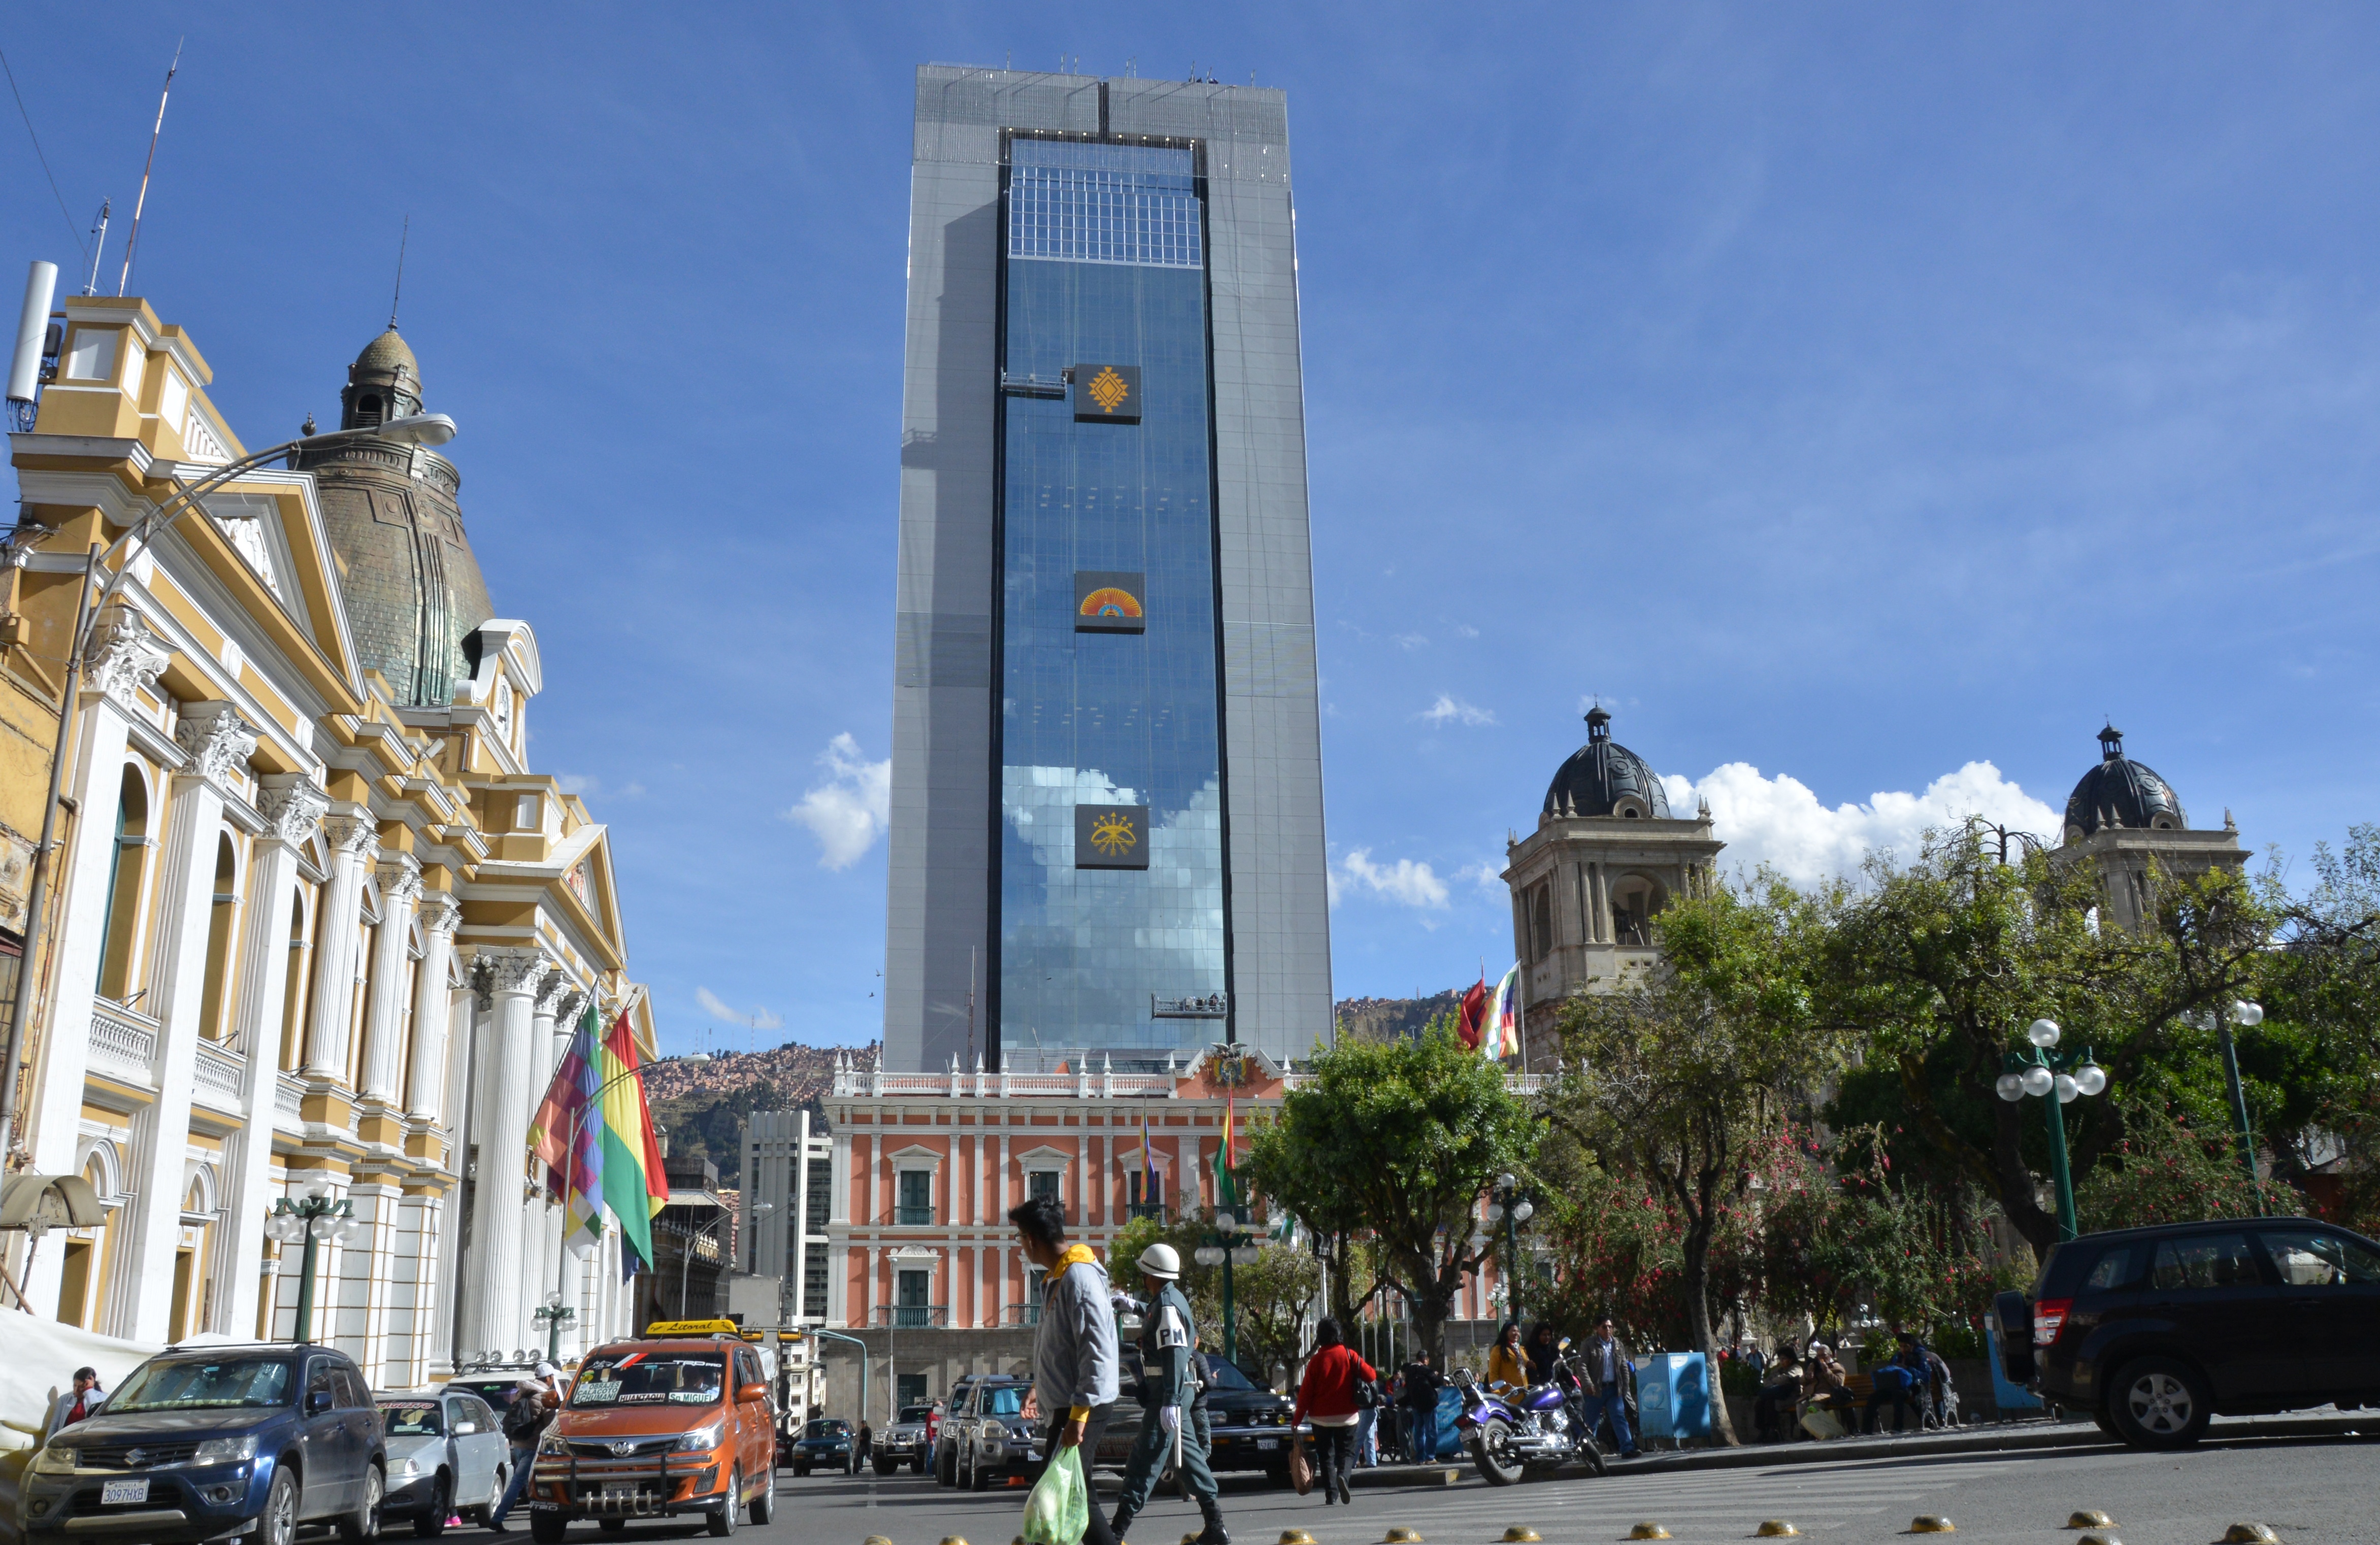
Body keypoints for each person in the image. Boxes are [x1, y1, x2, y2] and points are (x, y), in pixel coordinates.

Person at [1012, 1191, 1122, 1545]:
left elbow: (1097, 1352)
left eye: (1019, 1237)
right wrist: (1038, 1387)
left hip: (1083, 1407)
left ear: (1031, 1240)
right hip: (1068, 1405)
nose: (1021, 1246)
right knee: (1072, 1494)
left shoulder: (1079, 1278)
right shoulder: (1057, 1279)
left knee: (1060, 1495)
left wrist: (1078, 1417)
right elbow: (1060, 1347)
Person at [1111, 1243, 1228, 1545]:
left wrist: (1170, 1402)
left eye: (1144, 1273)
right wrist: (1132, 1305)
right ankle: (1215, 1525)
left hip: (1168, 1393)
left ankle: (1115, 1532)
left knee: (1145, 1457)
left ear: (1153, 1273)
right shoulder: (1167, 1300)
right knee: (1188, 1459)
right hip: (1171, 1392)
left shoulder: (1166, 1305)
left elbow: (1175, 1353)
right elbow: (1156, 1319)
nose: (1142, 1278)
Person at [1291, 1319, 1375, 1506]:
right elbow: (1371, 1376)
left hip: (1320, 1418)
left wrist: (1296, 1420)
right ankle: (1343, 1477)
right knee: (1346, 1452)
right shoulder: (1349, 1355)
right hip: (1348, 1416)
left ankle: (1331, 1495)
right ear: (1339, 1334)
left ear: (1320, 1337)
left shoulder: (1316, 1361)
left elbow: (1305, 1394)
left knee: (1326, 1455)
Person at [487, 1363, 561, 1533]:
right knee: (519, 1482)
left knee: (530, 1483)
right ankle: (498, 1519)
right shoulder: (547, 1396)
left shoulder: (522, 1394)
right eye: (553, 1377)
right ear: (549, 1378)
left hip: (518, 1444)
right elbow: (551, 1426)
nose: (553, 1380)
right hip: (533, 1446)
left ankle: (537, 1517)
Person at [1578, 1315, 1640, 1460]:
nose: (1608, 1330)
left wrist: (1624, 1388)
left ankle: (1627, 1449)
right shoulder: (1589, 1344)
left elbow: (1623, 1367)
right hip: (1595, 1391)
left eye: (1610, 1327)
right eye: (1604, 1327)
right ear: (1597, 1328)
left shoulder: (1617, 1344)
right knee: (1591, 1423)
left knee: (1619, 1418)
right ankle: (1589, 1454)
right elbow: (1581, 1365)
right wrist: (1588, 1384)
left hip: (1614, 1389)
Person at [1751, 1345, 1804, 1443]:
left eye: (1784, 1359)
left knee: (1770, 1401)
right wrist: (1776, 1381)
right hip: (1778, 1396)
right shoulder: (1779, 1370)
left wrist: (1775, 1381)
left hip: (1792, 1397)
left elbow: (1786, 1378)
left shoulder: (1796, 1368)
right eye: (1780, 1359)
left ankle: (1771, 1431)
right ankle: (1766, 1430)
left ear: (1791, 1359)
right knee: (1763, 1402)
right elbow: (1767, 1381)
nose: (1782, 1361)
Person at [1396, 1351, 1442, 1464]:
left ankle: (1420, 1458)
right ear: (1425, 1359)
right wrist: (1435, 1375)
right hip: (1429, 1404)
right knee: (1431, 1431)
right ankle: (1430, 1457)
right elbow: (1437, 1383)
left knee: (1418, 1433)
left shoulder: (1409, 1372)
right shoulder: (1425, 1370)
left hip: (1416, 1405)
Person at [44, 1368, 103, 1440]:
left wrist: (89, 1391)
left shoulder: (102, 1398)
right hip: (66, 1441)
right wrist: (47, 1445)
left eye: (81, 1387)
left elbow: (95, 1413)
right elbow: (55, 1425)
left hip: (86, 1441)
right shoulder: (65, 1399)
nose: (76, 1390)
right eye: (75, 1386)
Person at [1484, 1322, 1528, 1390]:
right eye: (1513, 1331)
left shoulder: (1522, 1350)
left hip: (1523, 1392)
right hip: (1508, 1394)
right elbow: (1493, 1374)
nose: (1516, 1334)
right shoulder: (1498, 1350)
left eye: (1518, 1331)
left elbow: (1526, 1365)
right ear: (1506, 1333)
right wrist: (1497, 1393)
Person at [1523, 1323, 1561, 1387]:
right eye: (1544, 1335)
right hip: (1536, 1386)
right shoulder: (1530, 1350)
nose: (1547, 1337)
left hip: (1553, 1385)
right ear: (1538, 1336)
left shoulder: (1554, 1349)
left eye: (1549, 1335)